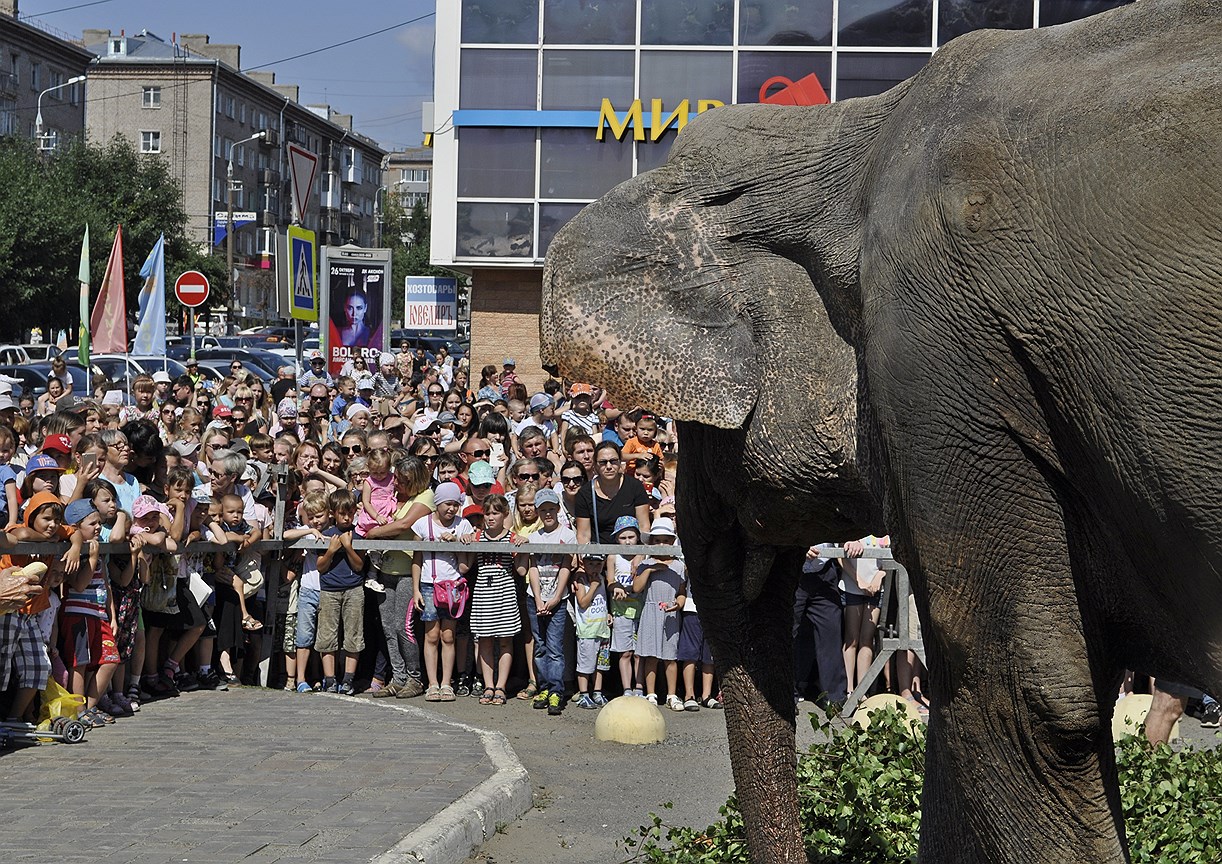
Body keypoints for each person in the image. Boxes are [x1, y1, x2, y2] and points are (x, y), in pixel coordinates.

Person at [363, 456, 435, 699]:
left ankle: (415, 678)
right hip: (387, 570)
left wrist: (374, 533)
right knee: (387, 627)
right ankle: (398, 676)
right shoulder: (397, 498)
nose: (397, 485)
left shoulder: (425, 497)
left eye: (403, 482)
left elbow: (404, 524)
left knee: (404, 627)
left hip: (407, 571)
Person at [410, 481, 473, 702]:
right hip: (428, 584)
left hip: (452, 585)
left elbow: (467, 565)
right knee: (431, 634)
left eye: (455, 504)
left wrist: (457, 542)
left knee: (448, 635)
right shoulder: (422, 524)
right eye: (447, 504)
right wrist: (416, 588)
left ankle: (447, 682)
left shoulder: (463, 525)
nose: (451, 509)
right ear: (437, 503)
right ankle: (432, 683)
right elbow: (417, 558)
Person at [462, 493, 520, 706]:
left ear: (505, 514)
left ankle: (501, 686)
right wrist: (464, 543)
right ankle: (488, 685)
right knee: (484, 640)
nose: (491, 517)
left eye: (495, 513)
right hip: (483, 594)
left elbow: (521, 570)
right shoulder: (477, 536)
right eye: (487, 513)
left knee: (505, 641)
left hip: (505, 593)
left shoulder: (511, 537)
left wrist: (521, 545)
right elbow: (464, 567)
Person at [525, 488, 575, 716]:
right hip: (535, 597)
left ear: (557, 510)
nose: (548, 514)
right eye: (543, 510)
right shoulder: (534, 537)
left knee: (555, 648)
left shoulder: (567, 535)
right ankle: (543, 687)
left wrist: (555, 597)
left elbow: (566, 565)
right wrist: (537, 598)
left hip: (557, 598)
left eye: (551, 509)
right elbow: (532, 568)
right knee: (540, 646)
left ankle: (556, 689)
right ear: (537, 512)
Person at [315, 489, 367, 695]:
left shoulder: (358, 534)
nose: (346, 517)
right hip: (329, 590)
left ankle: (348, 679)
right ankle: (330, 679)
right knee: (327, 635)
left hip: (354, 589)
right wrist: (331, 550)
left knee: (353, 634)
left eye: (350, 513)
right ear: (332, 513)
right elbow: (320, 566)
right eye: (342, 513)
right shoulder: (325, 535)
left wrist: (349, 547)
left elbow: (359, 566)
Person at [633, 516, 686, 710]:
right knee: (651, 656)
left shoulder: (679, 565)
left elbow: (681, 592)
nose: (661, 544)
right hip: (651, 610)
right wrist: (650, 569)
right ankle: (651, 693)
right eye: (657, 540)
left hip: (670, 614)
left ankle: (672, 694)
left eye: (665, 540)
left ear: (672, 542)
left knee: (670, 657)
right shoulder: (646, 564)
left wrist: (678, 605)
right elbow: (637, 588)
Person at [794, 544, 849, 708]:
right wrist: (796, 548)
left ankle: (835, 698)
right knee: (787, 634)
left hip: (825, 574)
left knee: (831, 633)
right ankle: (785, 697)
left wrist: (850, 540)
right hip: (792, 570)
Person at [574, 441, 652, 547]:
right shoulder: (585, 493)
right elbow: (583, 535)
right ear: (595, 465)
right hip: (600, 555)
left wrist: (641, 554)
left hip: (631, 552)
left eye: (613, 461)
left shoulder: (635, 487)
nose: (609, 466)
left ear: (620, 462)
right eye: (603, 462)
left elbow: (643, 525)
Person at [608, 515, 645, 696]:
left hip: (641, 610)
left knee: (639, 654)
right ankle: (627, 689)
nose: (627, 542)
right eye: (622, 538)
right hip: (620, 611)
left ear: (637, 536)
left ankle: (639, 687)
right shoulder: (613, 556)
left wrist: (640, 554)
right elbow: (609, 581)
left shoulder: (644, 554)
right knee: (625, 653)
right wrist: (615, 586)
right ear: (616, 539)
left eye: (631, 537)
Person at [571, 552, 611, 709]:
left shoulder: (602, 578)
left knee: (600, 665)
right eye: (591, 564)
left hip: (602, 629)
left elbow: (604, 600)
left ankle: (597, 691)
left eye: (598, 564)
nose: (595, 568)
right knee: (585, 665)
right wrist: (593, 586)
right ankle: (583, 694)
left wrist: (608, 613)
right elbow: (583, 603)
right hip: (587, 630)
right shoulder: (581, 581)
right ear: (584, 563)